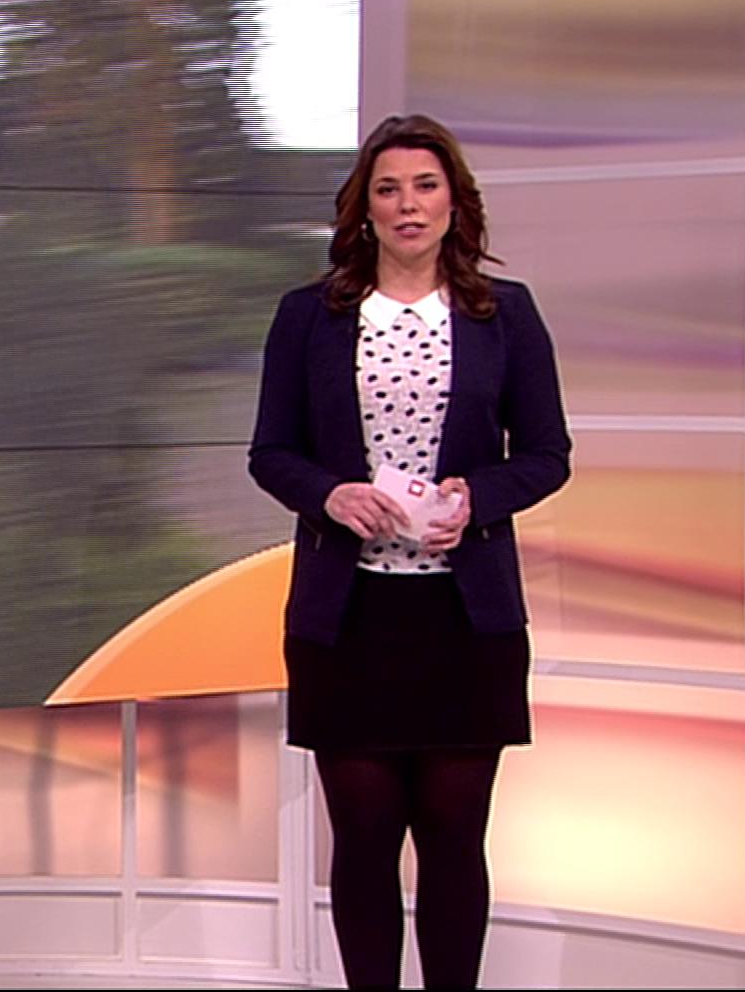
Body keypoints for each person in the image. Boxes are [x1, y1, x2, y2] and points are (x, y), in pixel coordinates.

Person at [247, 114, 571, 989]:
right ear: (365, 208)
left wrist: (476, 498)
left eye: (426, 186)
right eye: (388, 189)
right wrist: (330, 494)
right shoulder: (309, 316)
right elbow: (271, 452)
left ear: (455, 203)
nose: (408, 204)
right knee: (363, 840)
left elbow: (547, 455)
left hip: (466, 621)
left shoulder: (505, 314)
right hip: (348, 620)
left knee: (455, 839)